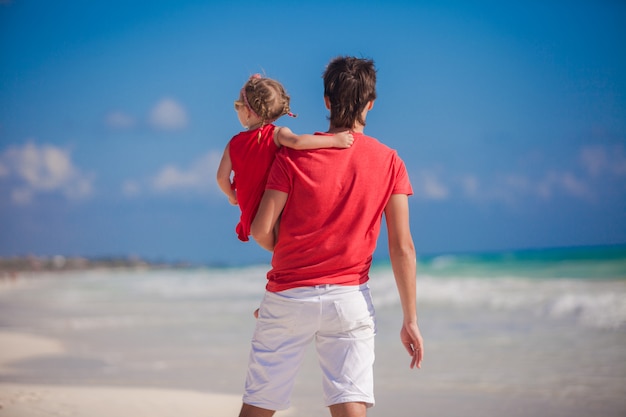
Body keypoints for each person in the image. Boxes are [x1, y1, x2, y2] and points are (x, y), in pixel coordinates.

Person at [241, 56, 424, 417]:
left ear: (326, 101)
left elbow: (261, 229)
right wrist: (410, 319)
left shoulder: (293, 155)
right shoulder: (390, 162)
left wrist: (296, 257)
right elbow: (402, 246)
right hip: (349, 300)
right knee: (350, 407)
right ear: (371, 103)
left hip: (288, 295)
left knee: (259, 406)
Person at [216, 74, 354, 242]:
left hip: (251, 210)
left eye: (237, 106)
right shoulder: (276, 133)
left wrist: (232, 195)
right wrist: (334, 140)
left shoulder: (233, 144)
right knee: (284, 242)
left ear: (246, 111)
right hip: (275, 202)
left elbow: (221, 177)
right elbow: (298, 142)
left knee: (271, 245)